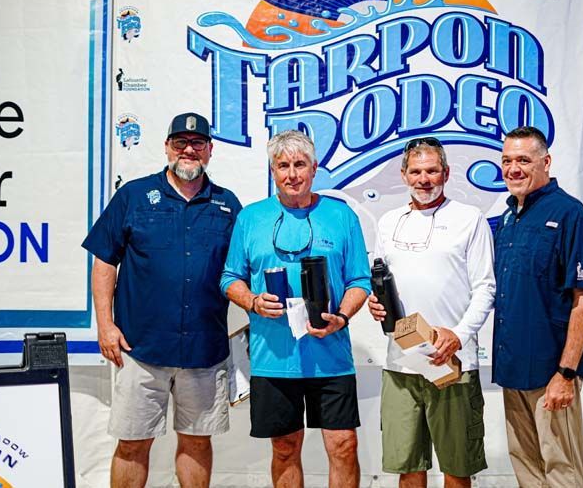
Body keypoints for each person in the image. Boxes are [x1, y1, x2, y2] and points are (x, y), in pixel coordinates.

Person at [82, 112, 241, 488]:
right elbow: (104, 260)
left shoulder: (227, 204)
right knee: (133, 443)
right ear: (167, 147)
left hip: (204, 350)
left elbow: (241, 269)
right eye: (181, 142)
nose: (189, 150)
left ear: (210, 151)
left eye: (197, 143)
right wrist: (105, 325)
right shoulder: (133, 196)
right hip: (141, 347)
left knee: (197, 442)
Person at [220, 130, 370, 488]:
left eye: (299, 164)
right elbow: (229, 278)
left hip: (330, 353)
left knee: (344, 445)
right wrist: (253, 301)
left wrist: (342, 317)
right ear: (272, 171)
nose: (292, 174)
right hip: (273, 356)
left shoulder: (341, 216)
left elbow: (360, 281)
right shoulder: (251, 218)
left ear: (314, 168)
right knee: (285, 448)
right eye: (282, 165)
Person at [368, 138, 495, 488]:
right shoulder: (389, 222)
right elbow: (380, 285)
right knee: (408, 466)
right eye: (416, 171)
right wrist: (374, 303)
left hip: (451, 362)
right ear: (404, 174)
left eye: (432, 171)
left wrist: (459, 335)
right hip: (400, 363)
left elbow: (486, 287)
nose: (424, 179)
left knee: (457, 466)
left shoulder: (469, 220)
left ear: (446, 173)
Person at [492, 126, 583, 488]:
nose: (513, 169)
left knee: (561, 472)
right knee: (526, 467)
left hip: (550, 374)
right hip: (512, 370)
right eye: (507, 160)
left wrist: (566, 374)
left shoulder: (571, 215)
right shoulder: (509, 218)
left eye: (524, 160)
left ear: (546, 162)